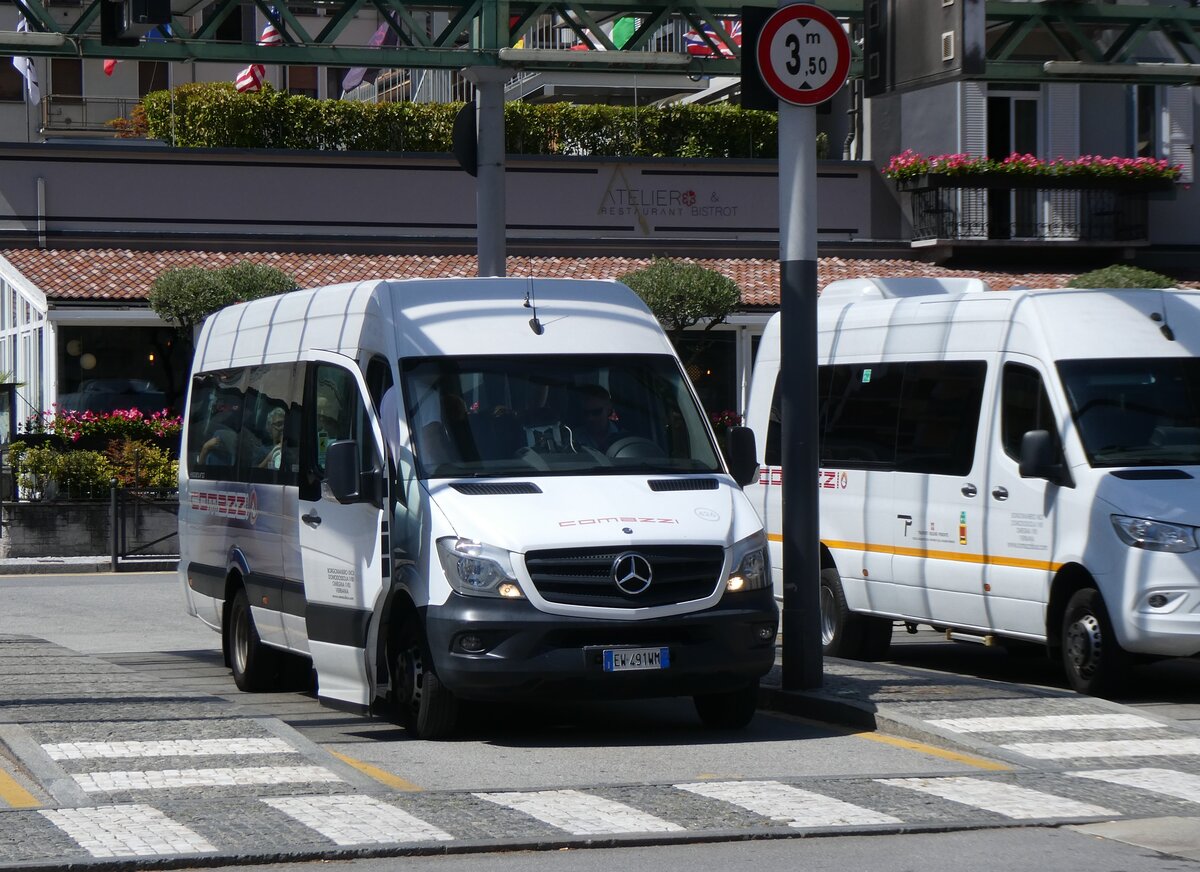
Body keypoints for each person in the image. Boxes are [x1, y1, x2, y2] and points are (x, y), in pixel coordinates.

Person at [575, 384, 622, 452]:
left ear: (608, 409)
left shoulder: (623, 436)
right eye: (586, 413)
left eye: (596, 412)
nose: (590, 418)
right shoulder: (572, 439)